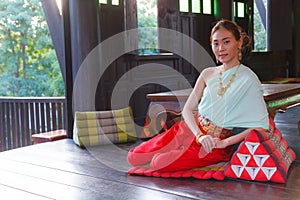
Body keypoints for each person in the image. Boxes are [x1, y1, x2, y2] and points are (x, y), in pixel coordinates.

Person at [127, 19, 269, 173]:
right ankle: (178, 147)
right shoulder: (208, 73)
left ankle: (178, 152)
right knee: (134, 157)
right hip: (192, 128)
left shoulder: (248, 78)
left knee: (158, 163)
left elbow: (260, 126)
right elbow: (187, 110)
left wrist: (225, 143)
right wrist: (200, 135)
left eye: (226, 42)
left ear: (239, 42)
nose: (221, 48)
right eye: (216, 43)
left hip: (215, 143)